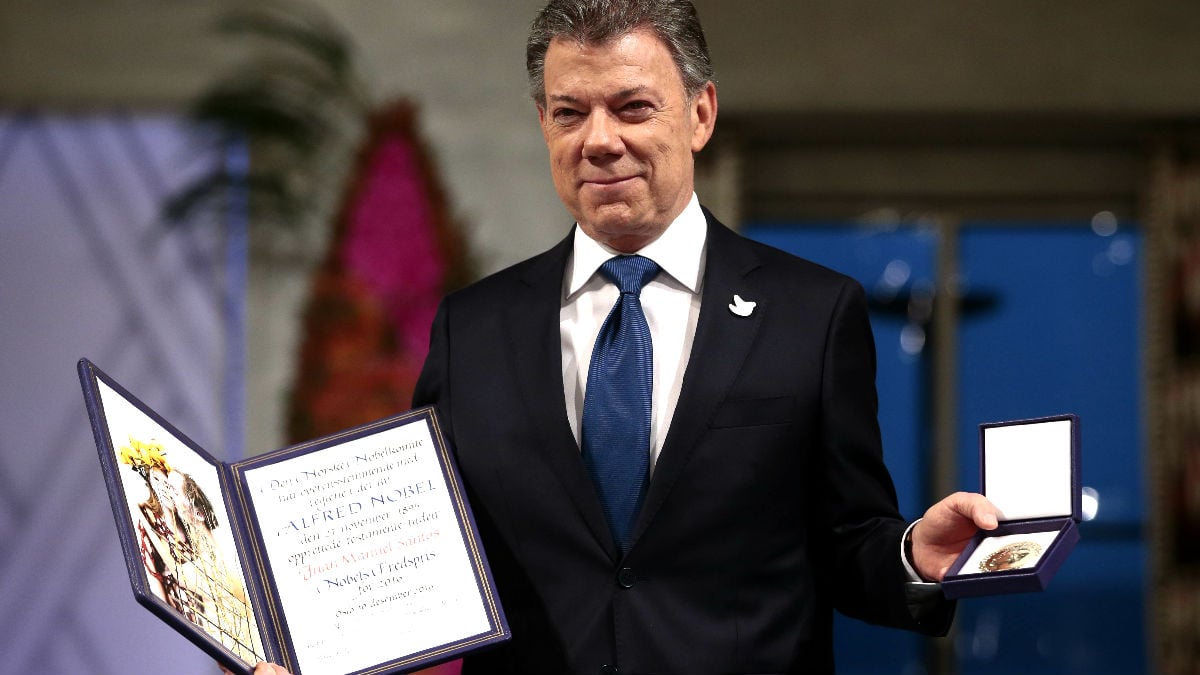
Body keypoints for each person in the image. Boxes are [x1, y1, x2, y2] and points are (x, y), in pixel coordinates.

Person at [247, 0, 999, 673]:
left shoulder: (812, 314)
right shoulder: (472, 329)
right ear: (544, 122)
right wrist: (300, 643)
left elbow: (846, 542)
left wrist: (914, 558)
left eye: (632, 107)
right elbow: (416, 558)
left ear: (700, 114)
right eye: (570, 112)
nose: (599, 140)